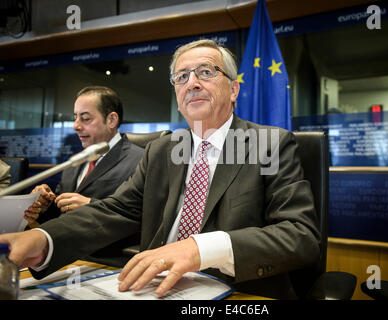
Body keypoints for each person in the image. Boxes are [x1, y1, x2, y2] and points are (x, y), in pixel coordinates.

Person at [0, 40, 320, 299]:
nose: (191, 82)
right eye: (181, 77)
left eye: (206, 72)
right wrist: (44, 238)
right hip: (150, 288)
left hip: (240, 292)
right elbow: (114, 211)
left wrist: (200, 247)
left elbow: (300, 235)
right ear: (178, 98)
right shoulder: (162, 150)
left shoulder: (268, 144)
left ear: (234, 90)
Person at [24, 86, 144, 265]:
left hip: (107, 262)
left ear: (111, 120)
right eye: (75, 117)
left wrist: (90, 206)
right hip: (62, 258)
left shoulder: (141, 159)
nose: (75, 126)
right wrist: (44, 205)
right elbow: (61, 217)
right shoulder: (75, 161)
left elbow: (145, 220)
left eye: (85, 118)